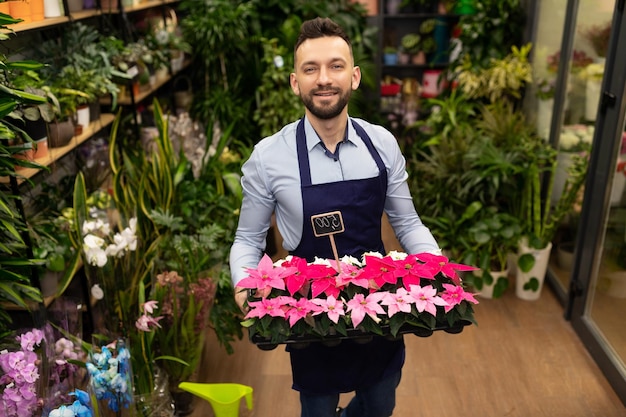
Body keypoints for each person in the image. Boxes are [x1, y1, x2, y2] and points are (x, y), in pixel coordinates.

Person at [229, 17, 441, 417]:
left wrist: (437, 268)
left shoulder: (381, 145)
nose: (323, 79)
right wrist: (243, 284)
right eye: (311, 69)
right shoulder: (269, 157)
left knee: (379, 403)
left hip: (377, 302)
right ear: (296, 82)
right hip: (309, 313)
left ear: (355, 76)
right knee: (317, 407)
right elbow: (247, 239)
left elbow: (408, 223)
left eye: (335, 66)